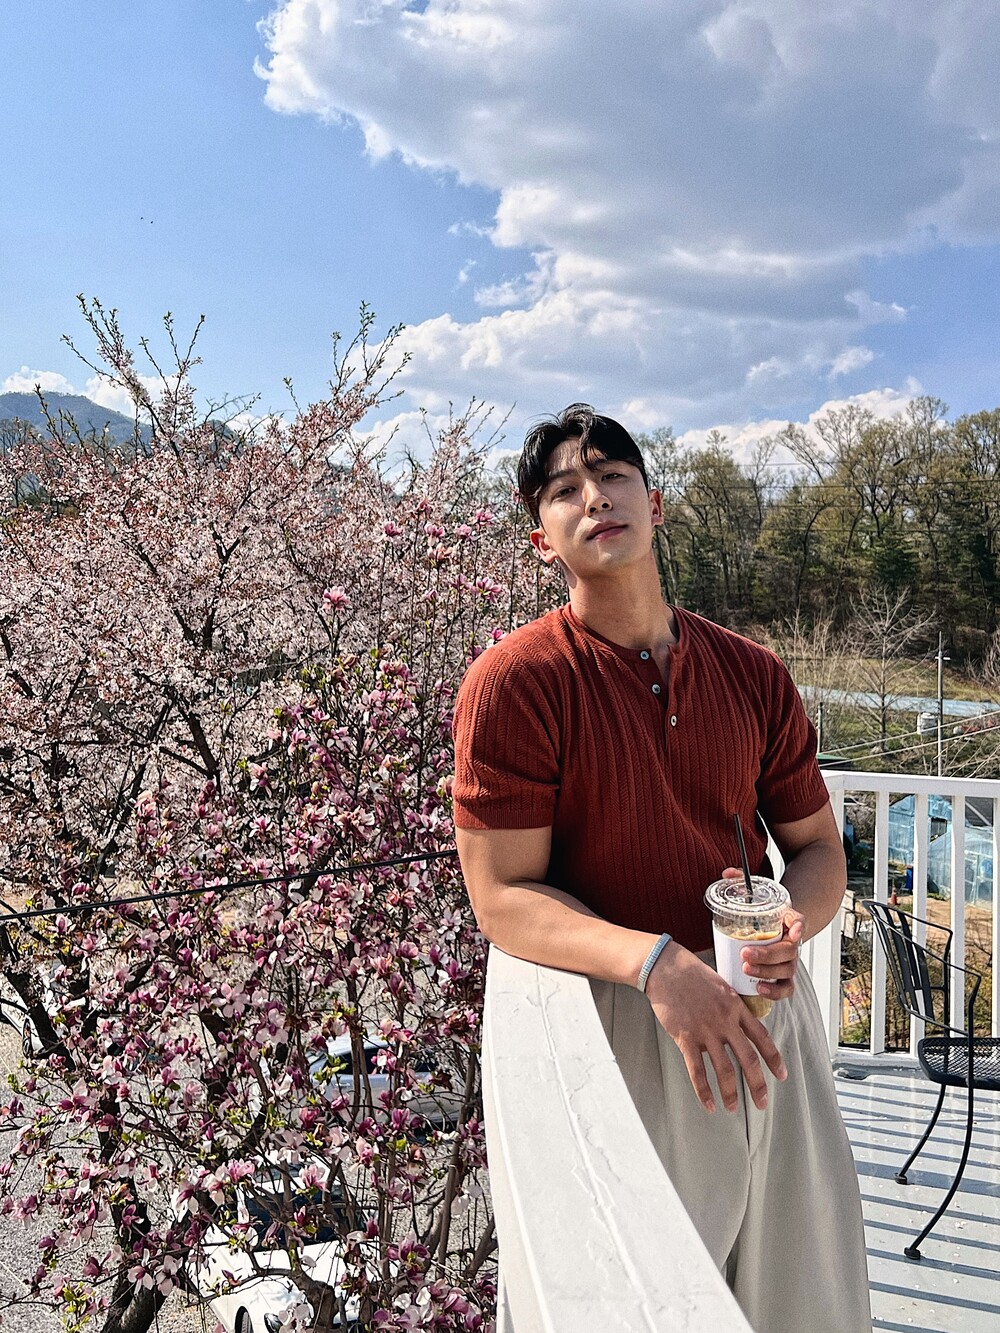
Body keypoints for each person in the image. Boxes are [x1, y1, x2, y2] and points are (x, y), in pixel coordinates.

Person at [452, 405, 871, 1333]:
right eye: (565, 489)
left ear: (656, 502)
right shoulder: (515, 683)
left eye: (612, 475)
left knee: (807, 1292)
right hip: (628, 1028)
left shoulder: (751, 672)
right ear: (541, 537)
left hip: (769, 1013)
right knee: (651, 1298)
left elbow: (816, 849)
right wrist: (654, 962)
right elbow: (500, 895)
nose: (595, 497)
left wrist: (792, 923)